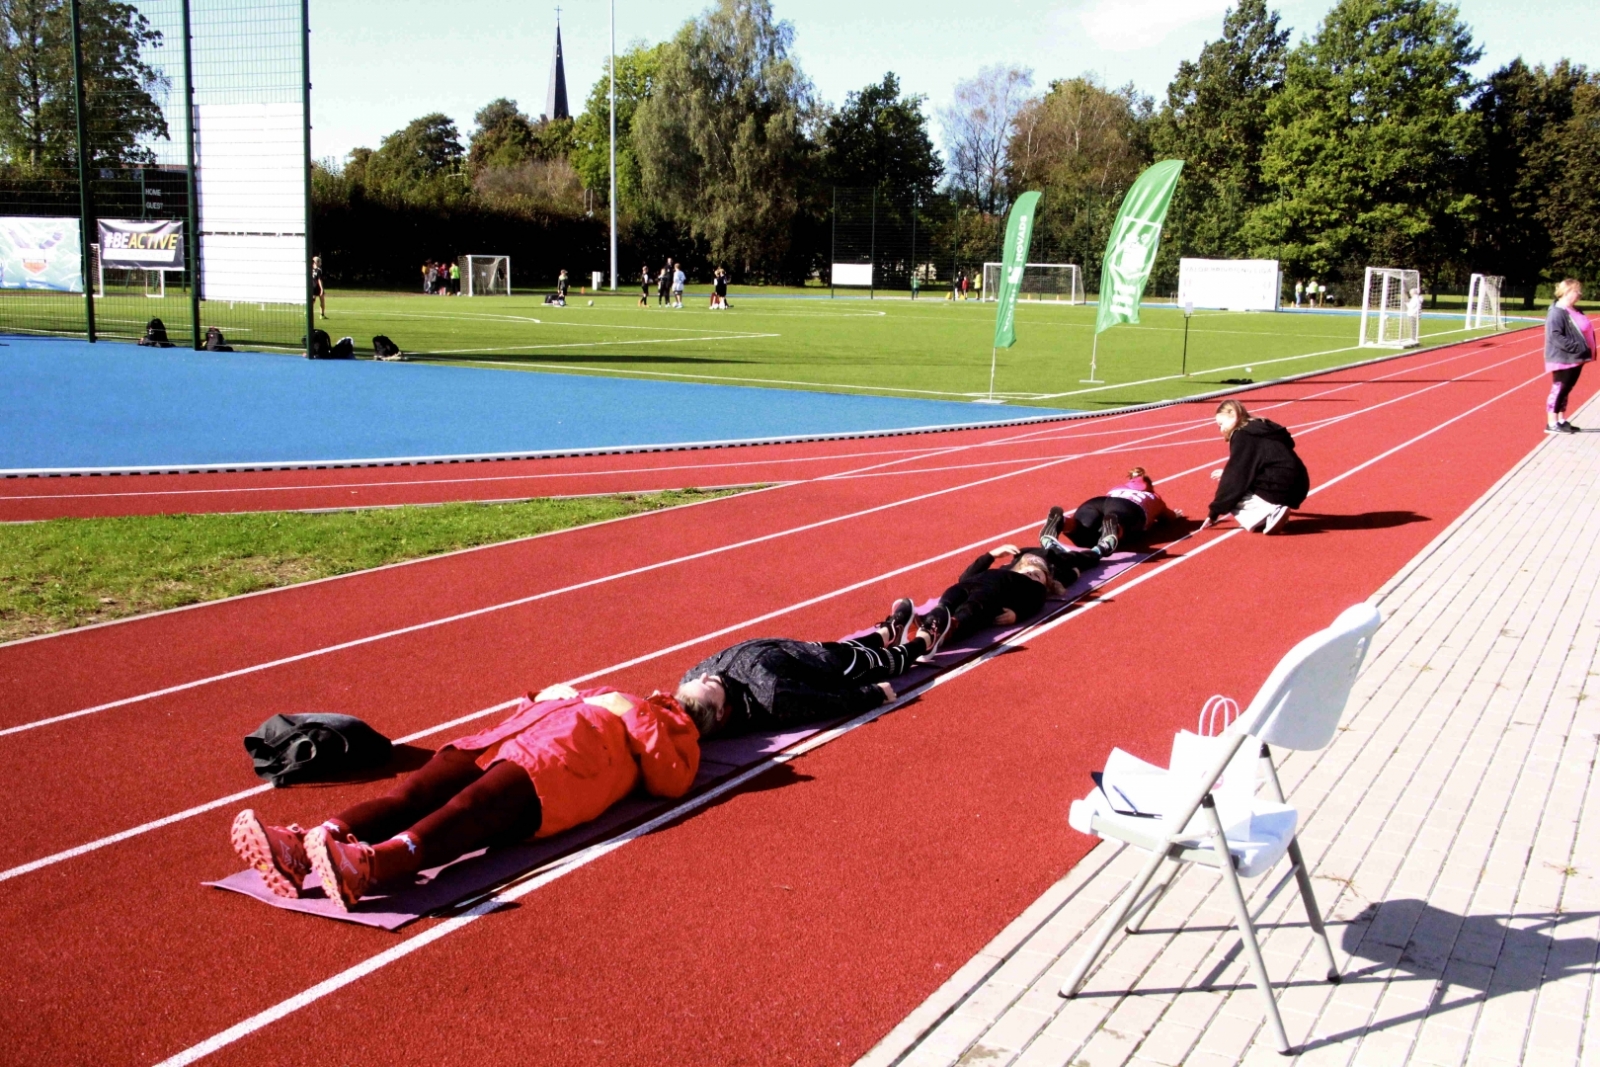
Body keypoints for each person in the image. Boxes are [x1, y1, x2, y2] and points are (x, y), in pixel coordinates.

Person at [230, 684, 700, 910]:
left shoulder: (665, 723)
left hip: (558, 767)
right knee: (411, 793)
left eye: (701, 695)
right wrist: (547, 697)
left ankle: (371, 864)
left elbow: (669, 780)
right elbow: (533, 698)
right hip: (502, 739)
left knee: (469, 811)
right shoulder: (607, 692)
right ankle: (306, 846)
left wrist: (633, 713)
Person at [675, 600, 943, 737]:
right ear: (720, 711)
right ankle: (925, 641)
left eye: (700, 678)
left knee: (846, 645)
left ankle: (888, 631)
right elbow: (822, 702)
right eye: (708, 685)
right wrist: (873, 695)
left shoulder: (692, 685)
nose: (706, 675)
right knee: (879, 662)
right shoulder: (771, 694)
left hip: (797, 650)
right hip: (827, 670)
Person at [917, 542, 1096, 643]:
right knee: (948, 599)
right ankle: (923, 620)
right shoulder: (1006, 570)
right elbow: (965, 576)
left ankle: (946, 629)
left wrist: (1017, 614)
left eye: (1038, 575)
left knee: (974, 610)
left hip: (991, 595)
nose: (1033, 573)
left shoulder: (1033, 588)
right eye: (1030, 570)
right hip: (970, 584)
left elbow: (1037, 602)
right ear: (1017, 567)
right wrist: (991, 555)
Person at [1202, 399, 1310, 534]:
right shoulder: (1264, 426)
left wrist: (1213, 513)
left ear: (1233, 415)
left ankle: (1271, 512)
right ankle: (1273, 512)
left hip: (1278, 485)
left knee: (1232, 489)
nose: (1220, 429)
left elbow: (1236, 478)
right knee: (1231, 479)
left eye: (1221, 424)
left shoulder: (1242, 434)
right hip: (1300, 484)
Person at [1038, 466, 1183, 559]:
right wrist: (1175, 515)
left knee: (1083, 535)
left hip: (1096, 502)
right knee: (1121, 523)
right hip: (1127, 508)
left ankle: (1063, 521)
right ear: (1150, 486)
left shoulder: (1118, 488)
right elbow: (1167, 518)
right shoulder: (1154, 497)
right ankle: (1114, 526)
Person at [1544, 278, 1592, 433]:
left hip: (1576, 358)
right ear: (1566, 291)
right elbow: (1555, 336)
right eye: (1576, 291)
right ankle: (1552, 423)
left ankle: (1561, 420)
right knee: (1559, 389)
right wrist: (1575, 347)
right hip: (1563, 357)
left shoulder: (1575, 310)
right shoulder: (1557, 311)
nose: (1579, 294)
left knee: (1566, 390)